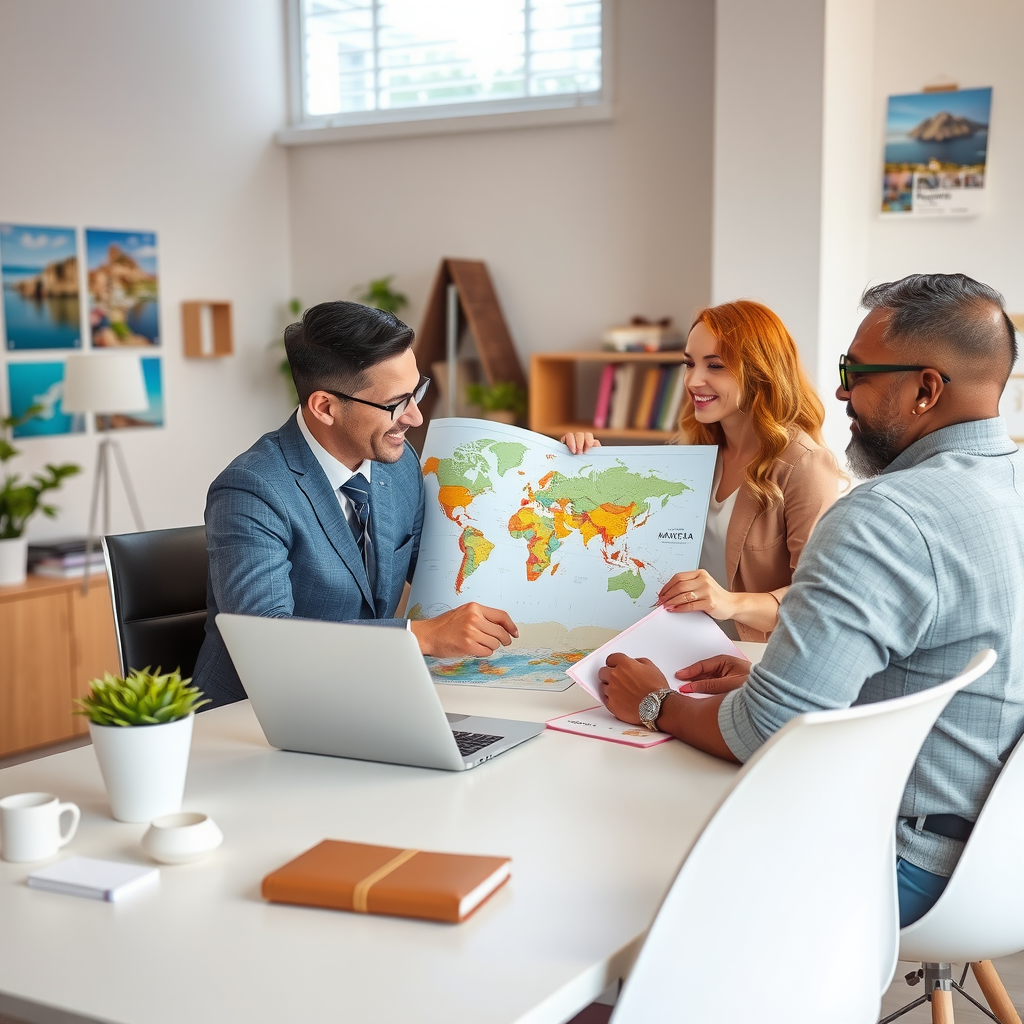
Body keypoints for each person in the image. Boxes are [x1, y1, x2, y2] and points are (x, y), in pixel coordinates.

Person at [596, 274, 1024, 926]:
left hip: (899, 860)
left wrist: (656, 704)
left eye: (857, 370)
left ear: (926, 388)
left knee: (622, 864)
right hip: (997, 853)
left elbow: (767, 731)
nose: (843, 390)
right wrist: (775, 672)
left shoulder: (885, 514)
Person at [193, 301, 518, 707]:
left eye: (417, 391)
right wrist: (421, 635)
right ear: (325, 407)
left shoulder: (397, 465)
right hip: (258, 714)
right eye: (396, 403)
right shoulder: (251, 491)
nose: (415, 418)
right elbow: (266, 638)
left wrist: (560, 468)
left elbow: (451, 572)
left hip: (361, 696)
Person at [563, 300, 842, 641]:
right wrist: (588, 469)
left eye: (716, 366)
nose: (694, 380)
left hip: (752, 666)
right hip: (673, 648)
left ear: (760, 370)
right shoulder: (686, 456)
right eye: (689, 363)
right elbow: (634, 552)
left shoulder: (805, 465)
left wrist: (730, 604)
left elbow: (819, 603)